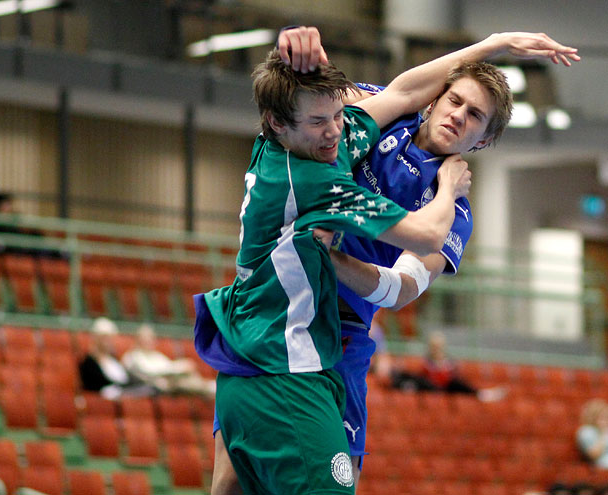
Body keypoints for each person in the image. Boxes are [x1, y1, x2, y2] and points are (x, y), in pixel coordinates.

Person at [209, 26, 580, 494]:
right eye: (455, 101)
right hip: (275, 312)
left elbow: (401, 289)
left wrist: (332, 258)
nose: (459, 116)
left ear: (483, 141)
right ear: (435, 99)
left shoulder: (456, 214)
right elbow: (313, 97)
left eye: (476, 117)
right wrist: (294, 58)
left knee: (341, 481)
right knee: (229, 479)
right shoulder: (372, 117)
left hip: (340, 335)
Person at [122, 323, 215, 397]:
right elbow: (149, 372)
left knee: (186, 375)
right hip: (154, 386)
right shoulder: (132, 356)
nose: (149, 342)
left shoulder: (156, 355)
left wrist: (181, 367)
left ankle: (207, 387)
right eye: (146, 339)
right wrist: (178, 368)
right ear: (138, 339)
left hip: (168, 382)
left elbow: (168, 366)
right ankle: (207, 387)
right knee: (182, 380)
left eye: (151, 338)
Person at [78, 317, 155, 400]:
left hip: (126, 391)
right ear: (96, 339)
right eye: (104, 338)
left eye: (110, 338)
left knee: (150, 388)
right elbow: (99, 384)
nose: (109, 341)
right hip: (108, 397)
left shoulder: (114, 360)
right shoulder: (89, 362)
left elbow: (128, 378)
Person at [576, 398, 608, 469]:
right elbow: (593, 455)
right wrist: (604, 434)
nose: (606, 420)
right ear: (594, 417)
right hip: (601, 465)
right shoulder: (586, 431)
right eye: (602, 417)